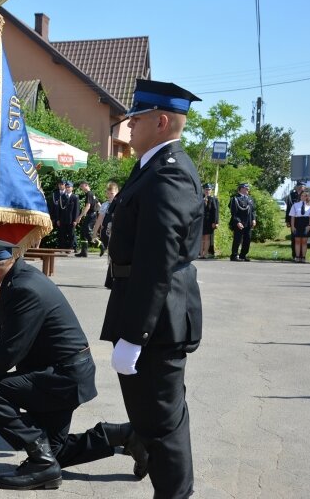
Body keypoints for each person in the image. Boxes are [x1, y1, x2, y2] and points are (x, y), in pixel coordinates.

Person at [0, 237, 144, 490]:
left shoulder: (21, 287)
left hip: (60, 378)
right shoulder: (22, 277)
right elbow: (12, 328)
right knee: (54, 453)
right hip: (61, 376)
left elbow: (10, 349)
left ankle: (41, 462)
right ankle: (126, 436)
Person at [101, 79, 203, 498]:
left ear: (161, 121)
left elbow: (156, 263)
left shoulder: (169, 175)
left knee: (162, 426)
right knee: (156, 419)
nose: (127, 128)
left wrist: (135, 335)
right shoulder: (152, 167)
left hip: (157, 319)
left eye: (136, 119)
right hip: (149, 310)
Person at [229, 182, 257, 261]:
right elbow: (233, 212)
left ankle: (243, 255)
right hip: (239, 222)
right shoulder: (235, 199)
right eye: (246, 188)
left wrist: (254, 219)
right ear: (241, 189)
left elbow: (253, 210)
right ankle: (234, 255)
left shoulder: (250, 199)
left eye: (248, 188)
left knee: (247, 239)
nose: (248, 189)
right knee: (237, 239)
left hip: (248, 222)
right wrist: (238, 222)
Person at [91, 181, 119, 256]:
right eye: (108, 193)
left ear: (117, 193)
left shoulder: (120, 204)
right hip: (106, 232)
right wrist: (94, 233)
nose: (109, 195)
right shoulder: (105, 205)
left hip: (116, 233)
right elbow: (99, 220)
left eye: (112, 193)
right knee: (110, 255)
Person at [289, 190, 310, 263]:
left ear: (308, 197)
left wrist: (309, 225)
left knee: (304, 241)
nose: (303, 197)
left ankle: (303, 257)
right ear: (300, 196)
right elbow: (293, 217)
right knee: (297, 241)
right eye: (302, 195)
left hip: (306, 224)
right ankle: (297, 257)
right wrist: (293, 226)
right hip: (297, 223)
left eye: (305, 196)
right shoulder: (295, 205)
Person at [74, 181, 97, 257]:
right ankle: (84, 252)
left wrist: (80, 216)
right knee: (83, 233)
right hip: (92, 215)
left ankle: (100, 245)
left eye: (82, 186)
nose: (81, 188)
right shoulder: (92, 194)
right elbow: (98, 204)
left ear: (86, 185)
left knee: (86, 233)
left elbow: (88, 206)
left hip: (90, 215)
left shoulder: (89, 194)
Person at [285, 181, 305, 259]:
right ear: (296, 187)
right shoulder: (292, 195)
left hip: (304, 220)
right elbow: (289, 208)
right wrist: (287, 220)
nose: (301, 187)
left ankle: (302, 255)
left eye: (302, 186)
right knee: (294, 238)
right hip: (294, 220)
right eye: (299, 186)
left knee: (303, 238)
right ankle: (295, 255)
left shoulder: (306, 195)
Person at [200, 183, 219, 258]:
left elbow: (216, 211)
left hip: (209, 221)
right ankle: (200, 254)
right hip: (200, 221)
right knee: (201, 238)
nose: (207, 191)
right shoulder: (199, 198)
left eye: (209, 190)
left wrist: (216, 222)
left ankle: (205, 254)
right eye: (206, 189)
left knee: (207, 238)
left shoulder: (214, 199)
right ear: (203, 190)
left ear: (211, 190)